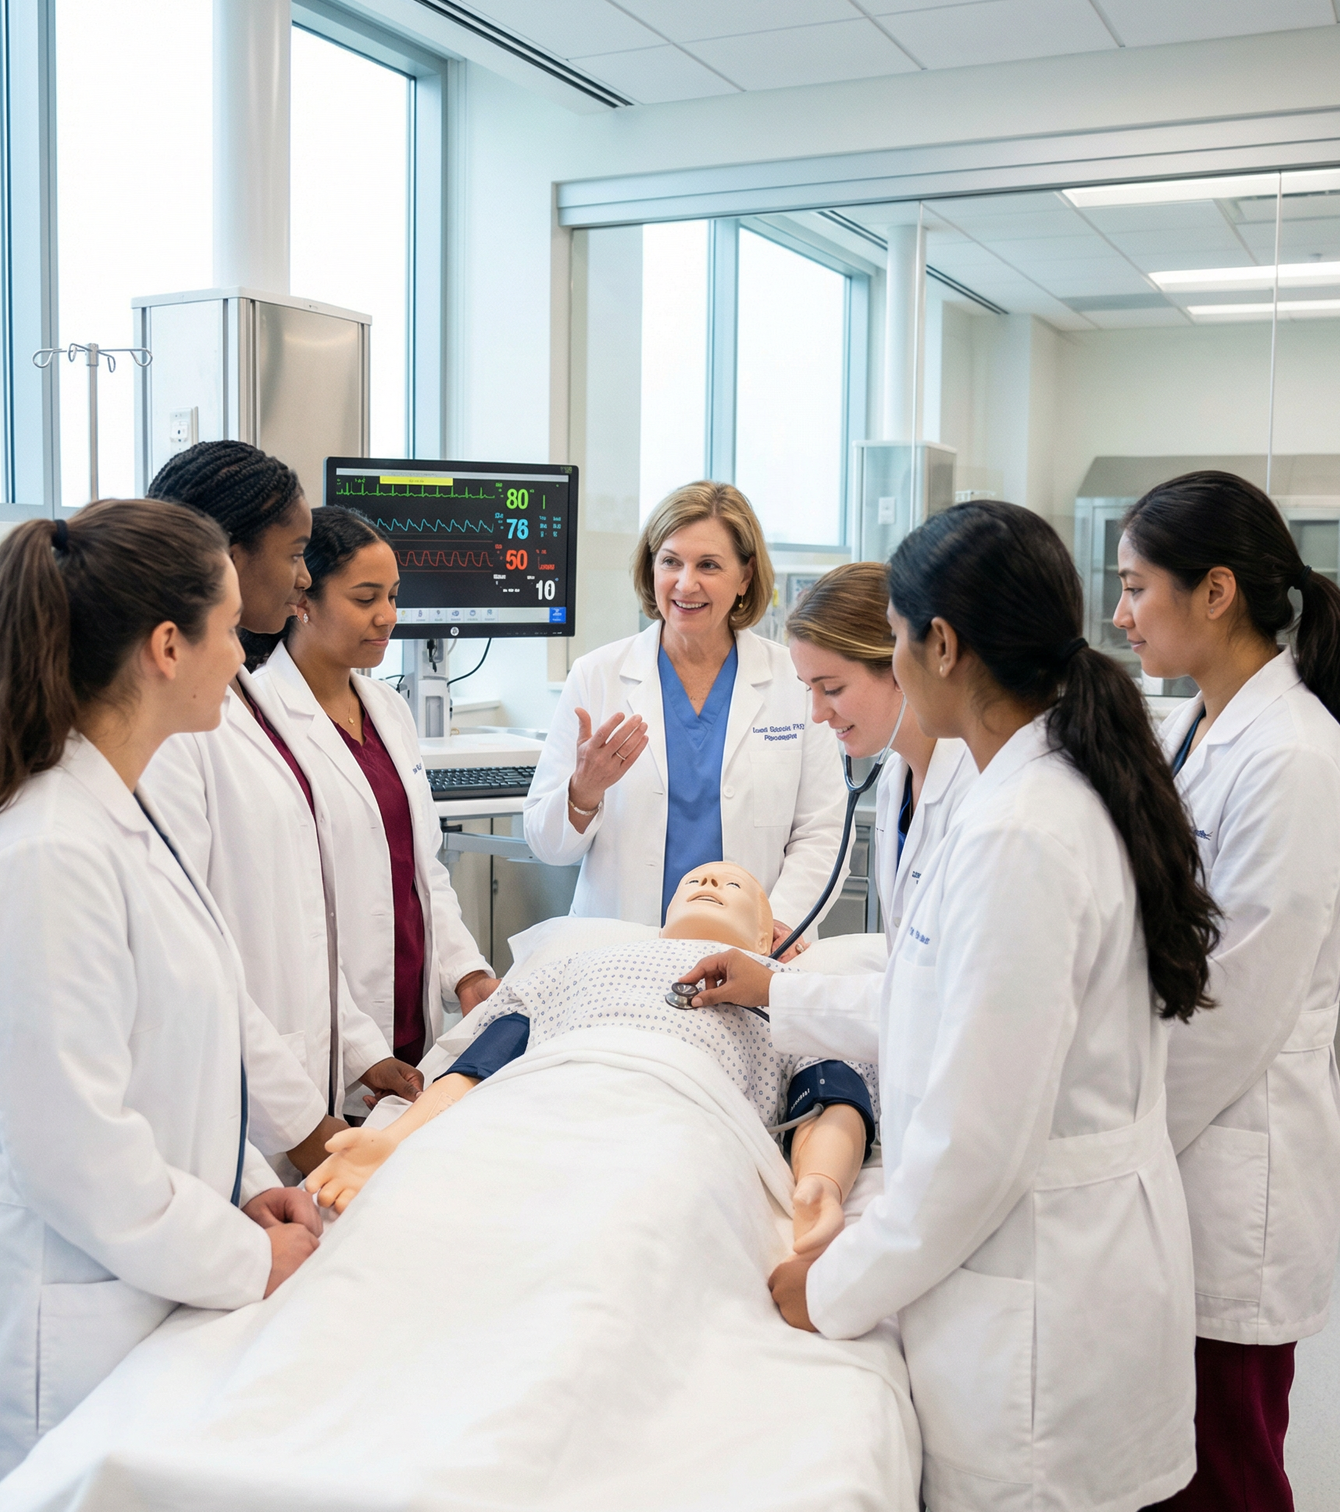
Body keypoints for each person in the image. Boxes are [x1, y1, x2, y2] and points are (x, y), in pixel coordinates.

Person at [691, 501, 1218, 1512]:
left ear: (939, 645)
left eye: (885, 641)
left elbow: (974, 1146)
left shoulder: (1023, 829)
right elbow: (935, 1003)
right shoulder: (1025, 795)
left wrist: (829, 1287)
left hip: (1039, 1315)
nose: (878, 666)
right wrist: (781, 995)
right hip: (1030, 1276)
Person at [0, 501, 321, 1512]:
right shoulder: (48, 852)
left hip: (143, 1282)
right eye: (231, 628)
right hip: (58, 1332)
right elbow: (76, 1149)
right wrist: (242, 1252)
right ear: (167, 644)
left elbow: (173, 1056)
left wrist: (243, 1189)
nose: (245, 652)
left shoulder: (115, 813)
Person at [1114, 471, 1340, 1512]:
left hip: (1234, 1174)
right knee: (1167, 1483)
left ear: (1214, 591)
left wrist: (1106, 1140)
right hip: (1183, 1157)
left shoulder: (1292, 757)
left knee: (1225, 1503)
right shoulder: (1200, 722)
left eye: (1135, 587)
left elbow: (1234, 1006)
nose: (1120, 612)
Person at [305, 861, 877, 1254]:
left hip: (682, 1115)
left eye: (731, 884)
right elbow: (477, 1067)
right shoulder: (577, 964)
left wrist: (821, 1181)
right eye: (695, 880)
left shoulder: (793, 991)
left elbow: (830, 1097)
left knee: (625, 1231)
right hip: (541, 1097)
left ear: (766, 937)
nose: (706, 878)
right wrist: (396, 1138)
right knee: (452, 1218)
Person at [143, 442, 420, 1182]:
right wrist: (304, 1131)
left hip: (288, 1105)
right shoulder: (173, 728)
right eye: (295, 552)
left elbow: (300, 925)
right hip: (236, 1123)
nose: (303, 574)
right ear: (227, 555)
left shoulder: (241, 697)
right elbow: (200, 965)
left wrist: (362, 1053)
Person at [524, 481, 845, 950]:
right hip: (622, 947)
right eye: (670, 561)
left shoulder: (792, 680)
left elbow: (823, 830)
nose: (685, 582)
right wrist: (583, 792)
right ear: (650, 567)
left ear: (745, 576)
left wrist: (778, 924)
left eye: (709, 565)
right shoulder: (597, 675)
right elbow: (546, 845)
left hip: (754, 951)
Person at [682, 561, 978, 1063]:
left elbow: (954, 1002)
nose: (817, 714)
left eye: (832, 688)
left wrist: (775, 990)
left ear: (901, 665)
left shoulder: (979, 791)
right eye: (808, 690)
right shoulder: (895, 782)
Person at [252, 507, 499, 1070]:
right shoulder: (266, 721)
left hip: (411, 1010)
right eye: (365, 599)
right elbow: (289, 918)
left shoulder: (388, 707)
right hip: (332, 1031)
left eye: (393, 595)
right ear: (302, 600)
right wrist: (360, 1050)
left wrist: (465, 970)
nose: (387, 616)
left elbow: (424, 868)